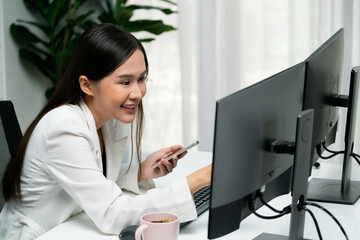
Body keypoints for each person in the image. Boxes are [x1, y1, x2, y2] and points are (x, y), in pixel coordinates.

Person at [0, 23, 212, 240]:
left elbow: (93, 180)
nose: (138, 93)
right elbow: (112, 214)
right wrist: (202, 178)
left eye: (141, 79)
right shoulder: (63, 128)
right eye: (125, 82)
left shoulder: (105, 118)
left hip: (72, 226)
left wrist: (141, 172)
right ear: (87, 85)